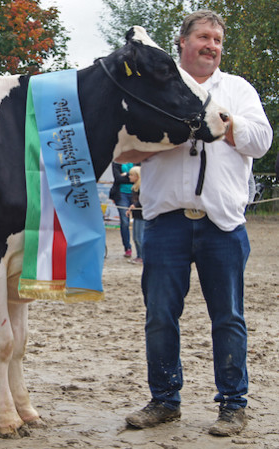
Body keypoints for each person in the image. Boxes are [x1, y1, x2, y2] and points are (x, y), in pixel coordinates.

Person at [119, 10, 273, 436]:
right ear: (182, 42)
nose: (212, 45)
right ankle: (165, 400)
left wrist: (221, 123)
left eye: (218, 40)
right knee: (160, 316)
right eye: (203, 37)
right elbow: (122, 149)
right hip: (165, 222)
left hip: (222, 225)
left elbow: (261, 141)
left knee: (228, 317)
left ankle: (232, 405)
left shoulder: (237, 89)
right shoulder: (155, 88)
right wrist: (150, 143)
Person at [110, 162, 135, 257]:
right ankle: (127, 247)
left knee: (140, 221)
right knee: (125, 221)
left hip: (136, 193)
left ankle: (140, 247)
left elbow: (141, 176)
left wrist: (125, 175)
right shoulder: (116, 162)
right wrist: (131, 176)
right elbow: (118, 178)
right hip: (121, 194)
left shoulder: (138, 159)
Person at [126, 166, 143, 264]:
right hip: (136, 215)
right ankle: (139, 255)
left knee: (140, 237)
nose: (129, 177)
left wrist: (134, 205)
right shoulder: (134, 187)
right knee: (136, 237)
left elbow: (142, 200)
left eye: (131, 175)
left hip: (142, 215)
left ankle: (142, 256)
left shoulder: (143, 187)